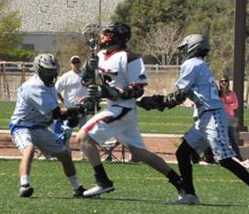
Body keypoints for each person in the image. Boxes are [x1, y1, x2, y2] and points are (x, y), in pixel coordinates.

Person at [139, 34, 249, 207]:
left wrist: (157, 102)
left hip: (211, 116)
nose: (183, 52)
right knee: (182, 153)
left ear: (193, 47)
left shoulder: (191, 64)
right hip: (205, 117)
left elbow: (180, 95)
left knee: (224, 158)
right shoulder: (200, 64)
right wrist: (160, 102)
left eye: (185, 48)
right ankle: (190, 195)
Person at [77, 22, 186, 199]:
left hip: (122, 109)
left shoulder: (129, 57)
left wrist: (110, 92)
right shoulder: (99, 55)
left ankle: (102, 181)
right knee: (139, 152)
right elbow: (85, 81)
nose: (102, 36)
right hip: (115, 108)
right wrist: (89, 69)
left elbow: (138, 89)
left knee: (83, 137)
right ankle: (180, 183)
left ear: (117, 37)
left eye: (107, 33)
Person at [10, 54, 86, 197]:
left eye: (53, 71)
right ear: (39, 70)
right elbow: (56, 113)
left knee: (65, 155)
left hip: (40, 126)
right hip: (22, 125)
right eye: (48, 71)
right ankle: (24, 185)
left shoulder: (48, 85)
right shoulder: (34, 87)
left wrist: (73, 116)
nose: (51, 75)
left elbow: (56, 114)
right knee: (29, 149)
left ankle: (77, 188)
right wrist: (78, 110)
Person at [55, 55, 89, 147]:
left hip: (83, 108)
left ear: (80, 63)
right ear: (71, 64)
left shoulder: (85, 75)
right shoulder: (66, 76)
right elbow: (56, 90)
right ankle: (65, 150)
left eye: (77, 62)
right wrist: (63, 101)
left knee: (84, 133)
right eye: (74, 62)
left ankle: (84, 152)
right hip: (70, 109)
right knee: (67, 132)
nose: (76, 64)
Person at [218, 75, 242, 154]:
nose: (223, 82)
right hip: (220, 118)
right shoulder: (217, 94)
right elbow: (217, 105)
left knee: (233, 138)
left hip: (230, 118)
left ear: (228, 82)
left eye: (225, 81)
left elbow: (235, 105)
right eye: (222, 81)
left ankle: (237, 155)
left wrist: (224, 105)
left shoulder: (232, 93)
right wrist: (229, 105)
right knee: (221, 138)